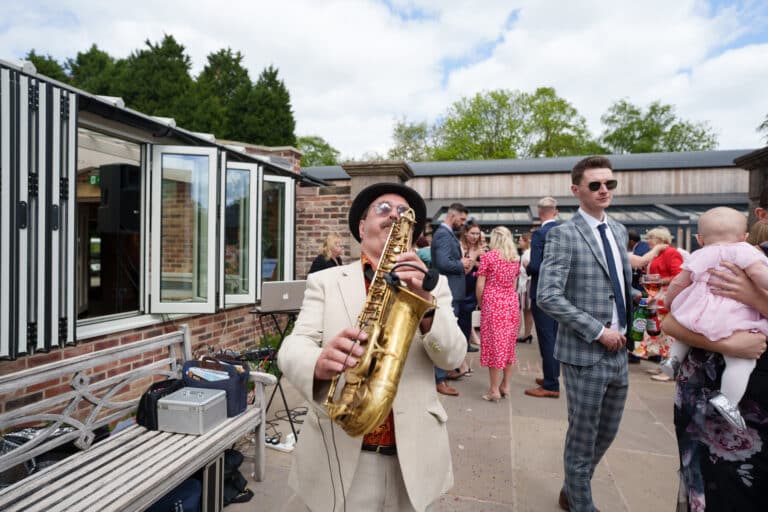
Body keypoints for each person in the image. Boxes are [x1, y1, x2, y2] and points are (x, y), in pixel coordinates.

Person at [277, 182, 467, 512]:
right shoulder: (326, 281)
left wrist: (426, 303)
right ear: (361, 227)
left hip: (413, 460)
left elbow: (452, 356)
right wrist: (318, 361)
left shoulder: (436, 285)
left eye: (404, 213)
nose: (395, 215)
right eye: (383, 209)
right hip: (342, 452)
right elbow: (294, 346)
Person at [537, 156, 633, 512]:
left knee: (607, 432)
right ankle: (580, 503)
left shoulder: (619, 230)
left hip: (621, 350)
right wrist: (598, 331)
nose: (604, 189)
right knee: (583, 435)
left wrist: (634, 298)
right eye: (595, 185)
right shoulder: (563, 233)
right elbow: (547, 295)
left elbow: (616, 283)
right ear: (576, 190)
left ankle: (572, 487)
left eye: (609, 183)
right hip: (585, 352)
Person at [662, 261, 768, 510]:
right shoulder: (743, 259)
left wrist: (756, 299)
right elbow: (672, 320)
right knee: (717, 490)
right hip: (717, 407)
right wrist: (728, 346)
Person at [660, 207, 768, 430]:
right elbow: (760, 275)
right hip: (735, 319)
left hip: (700, 311)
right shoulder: (747, 252)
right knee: (740, 363)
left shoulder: (701, 254)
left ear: (700, 239)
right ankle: (728, 400)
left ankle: (673, 359)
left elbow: (679, 283)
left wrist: (669, 301)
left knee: (688, 322)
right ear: (745, 236)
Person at [431, 202, 472, 396]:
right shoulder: (442, 234)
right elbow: (442, 263)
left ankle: (444, 371)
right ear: (452, 216)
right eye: (462, 219)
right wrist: (461, 264)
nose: (463, 223)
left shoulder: (446, 234)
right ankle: (439, 379)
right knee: (444, 335)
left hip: (453, 292)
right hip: (448, 292)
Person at [475, 226, 520, 402]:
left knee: (494, 346)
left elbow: (480, 286)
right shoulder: (515, 259)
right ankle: (505, 385)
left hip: (493, 303)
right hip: (510, 302)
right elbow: (515, 285)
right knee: (508, 345)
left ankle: (494, 390)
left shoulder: (488, 257)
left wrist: (481, 303)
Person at [525, 196, 561, 399]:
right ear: (555, 211)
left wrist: (527, 268)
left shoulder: (540, 234)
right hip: (559, 293)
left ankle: (551, 384)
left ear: (539, 213)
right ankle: (552, 375)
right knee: (554, 338)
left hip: (543, 292)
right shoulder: (564, 231)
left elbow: (536, 265)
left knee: (547, 338)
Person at [516, 232, 534, 344]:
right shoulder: (530, 253)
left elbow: (526, 270)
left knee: (521, 310)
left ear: (526, 241)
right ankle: (527, 334)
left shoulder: (526, 254)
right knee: (528, 311)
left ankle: (521, 334)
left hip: (525, 284)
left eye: (521, 240)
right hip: (527, 283)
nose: (519, 242)